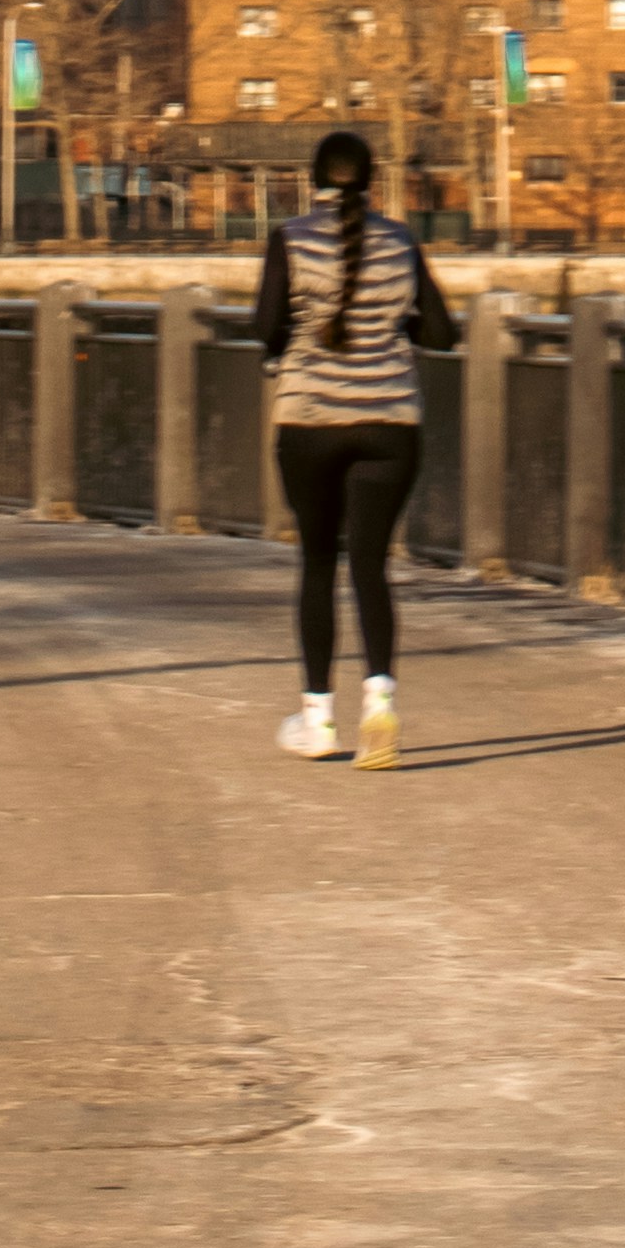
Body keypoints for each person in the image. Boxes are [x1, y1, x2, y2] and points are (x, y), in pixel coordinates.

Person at [252, 128, 452, 768]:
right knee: (370, 565)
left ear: (314, 178)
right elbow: (444, 332)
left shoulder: (291, 238)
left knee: (317, 563)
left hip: (309, 421)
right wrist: (399, 322)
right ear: (371, 179)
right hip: (391, 425)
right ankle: (380, 705)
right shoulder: (400, 241)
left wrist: (291, 336)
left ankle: (318, 721)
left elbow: (263, 324)